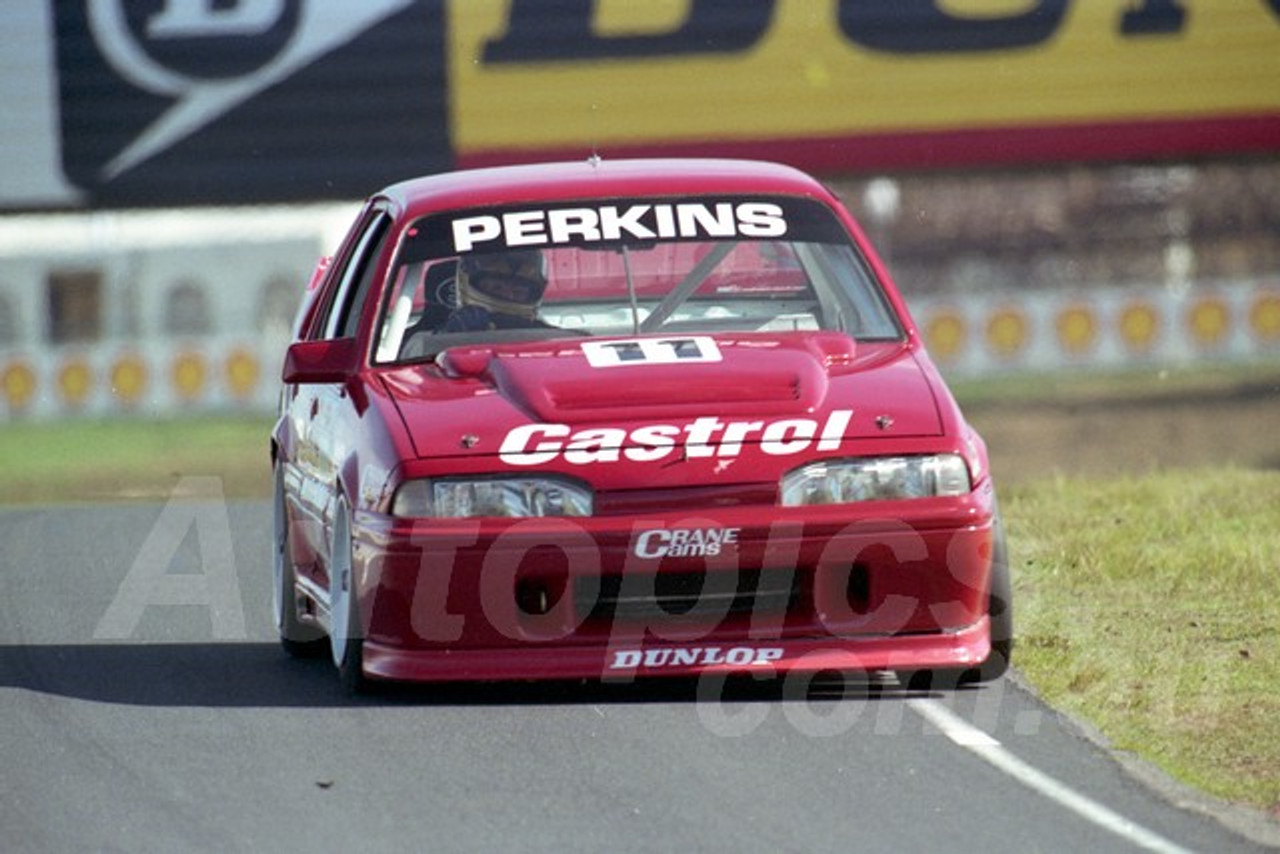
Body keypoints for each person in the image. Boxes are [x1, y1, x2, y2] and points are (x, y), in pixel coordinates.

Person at [442, 248, 552, 332]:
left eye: (518, 292)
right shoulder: (446, 337)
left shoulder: (548, 337)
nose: (508, 296)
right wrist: (452, 337)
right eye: (497, 288)